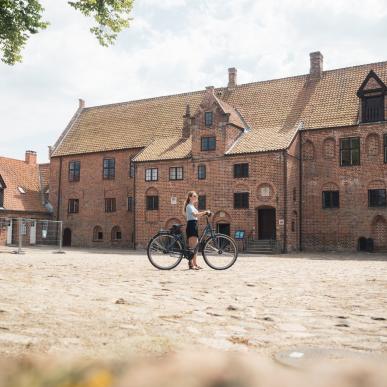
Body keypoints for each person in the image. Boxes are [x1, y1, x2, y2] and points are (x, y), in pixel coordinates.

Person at [183, 191, 211, 270]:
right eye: (195, 196)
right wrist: (205, 212)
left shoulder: (192, 206)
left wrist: (205, 213)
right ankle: (191, 264)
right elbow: (195, 215)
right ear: (190, 197)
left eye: (196, 196)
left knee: (196, 247)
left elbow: (197, 215)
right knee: (193, 247)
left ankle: (195, 263)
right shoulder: (189, 206)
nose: (196, 197)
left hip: (194, 224)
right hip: (191, 225)